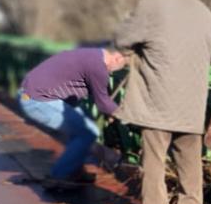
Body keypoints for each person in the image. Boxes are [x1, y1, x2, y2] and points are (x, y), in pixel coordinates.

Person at [115, 0, 211, 204]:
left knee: (154, 161)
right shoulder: (206, 13)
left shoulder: (151, 6)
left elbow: (122, 39)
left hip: (157, 98)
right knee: (190, 159)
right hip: (193, 100)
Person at [17, 46, 128, 189]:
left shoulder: (92, 54)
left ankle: (74, 171)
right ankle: (59, 176)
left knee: (83, 124)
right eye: (116, 68)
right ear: (117, 58)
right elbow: (104, 103)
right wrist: (128, 117)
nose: (111, 73)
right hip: (37, 100)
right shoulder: (99, 66)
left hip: (33, 94)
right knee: (88, 132)